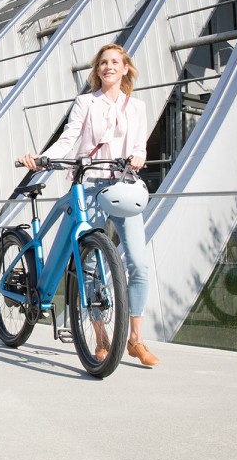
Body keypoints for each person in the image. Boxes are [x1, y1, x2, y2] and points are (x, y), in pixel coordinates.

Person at [17, 43, 158, 367]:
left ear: (125, 69)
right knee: (91, 263)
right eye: (103, 63)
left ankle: (136, 339)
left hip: (124, 185)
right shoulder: (86, 103)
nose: (108, 67)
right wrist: (43, 158)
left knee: (138, 262)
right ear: (97, 71)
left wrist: (138, 156)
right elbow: (69, 138)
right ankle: (101, 338)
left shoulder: (136, 107)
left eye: (114, 62)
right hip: (91, 186)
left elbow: (140, 146)